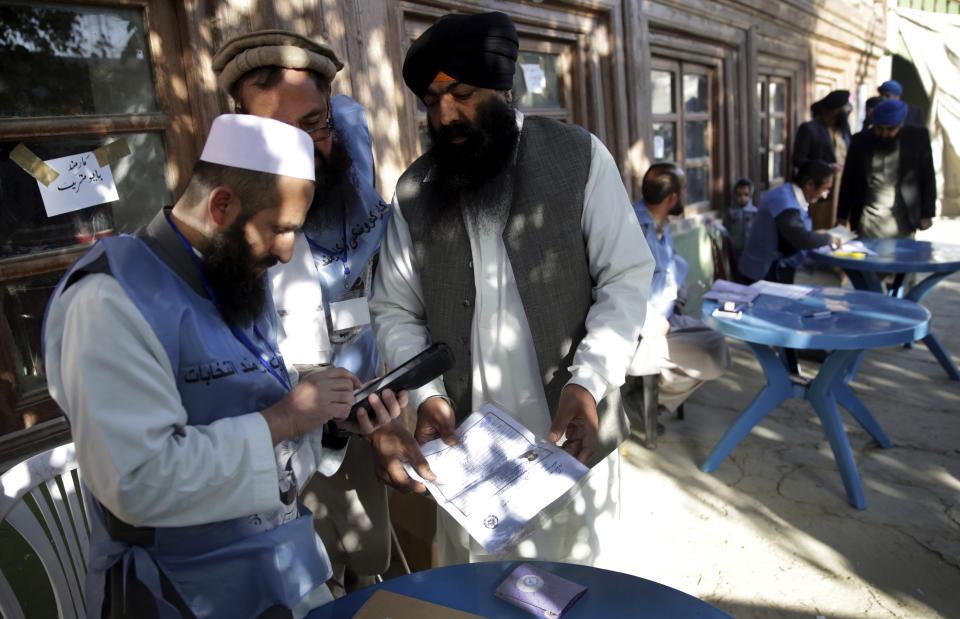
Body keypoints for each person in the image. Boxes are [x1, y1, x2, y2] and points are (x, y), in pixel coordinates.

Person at [42, 114, 405, 618]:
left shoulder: (234, 273)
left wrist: (331, 419)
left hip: (285, 564)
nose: (286, 252)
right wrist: (285, 419)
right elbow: (139, 481)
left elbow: (253, 404)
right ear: (221, 205)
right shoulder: (109, 300)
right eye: (281, 230)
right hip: (181, 589)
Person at [367, 11, 654, 568]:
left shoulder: (579, 157)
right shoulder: (415, 190)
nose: (445, 114)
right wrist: (428, 398)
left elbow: (625, 279)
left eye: (462, 94)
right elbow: (395, 309)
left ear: (504, 87)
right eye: (430, 100)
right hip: (468, 455)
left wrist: (589, 384)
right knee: (477, 587)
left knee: (578, 583)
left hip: (569, 432)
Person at [213, 30, 394, 593]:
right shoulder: (222, 201)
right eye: (274, 131)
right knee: (308, 566)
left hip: (366, 401)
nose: (300, 146)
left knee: (370, 548)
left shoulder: (349, 149)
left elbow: (386, 276)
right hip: (283, 418)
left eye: (313, 125)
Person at [623, 163, 729, 416]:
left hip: (667, 319)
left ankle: (658, 394)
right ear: (672, 198)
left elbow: (670, 268)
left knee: (717, 340)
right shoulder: (634, 229)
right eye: (683, 189)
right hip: (641, 330)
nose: (685, 194)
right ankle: (648, 399)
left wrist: (678, 299)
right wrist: (649, 322)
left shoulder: (659, 223)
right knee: (710, 353)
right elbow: (619, 286)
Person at [837, 98, 935, 239]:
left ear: (901, 124)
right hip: (867, 220)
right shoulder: (860, 141)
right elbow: (848, 180)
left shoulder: (917, 138)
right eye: (879, 128)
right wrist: (841, 216)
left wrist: (927, 213)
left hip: (902, 218)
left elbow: (928, 176)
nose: (884, 134)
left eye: (890, 129)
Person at [738, 159, 843, 285]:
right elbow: (803, 239)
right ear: (809, 184)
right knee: (831, 281)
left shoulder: (789, 193)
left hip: (775, 268)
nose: (825, 196)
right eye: (825, 189)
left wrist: (816, 235)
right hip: (761, 274)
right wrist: (829, 238)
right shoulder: (784, 202)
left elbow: (795, 233)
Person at [793, 90, 851, 229]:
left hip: (842, 190)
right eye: (845, 107)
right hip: (820, 191)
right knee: (819, 228)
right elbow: (798, 159)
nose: (848, 110)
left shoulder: (844, 129)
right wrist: (826, 167)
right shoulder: (809, 129)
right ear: (836, 110)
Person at [723, 176, 758, 257]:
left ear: (750, 195)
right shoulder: (730, 212)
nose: (742, 198)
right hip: (735, 250)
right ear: (735, 195)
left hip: (751, 250)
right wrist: (725, 248)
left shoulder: (755, 212)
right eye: (739, 195)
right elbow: (725, 232)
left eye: (746, 194)